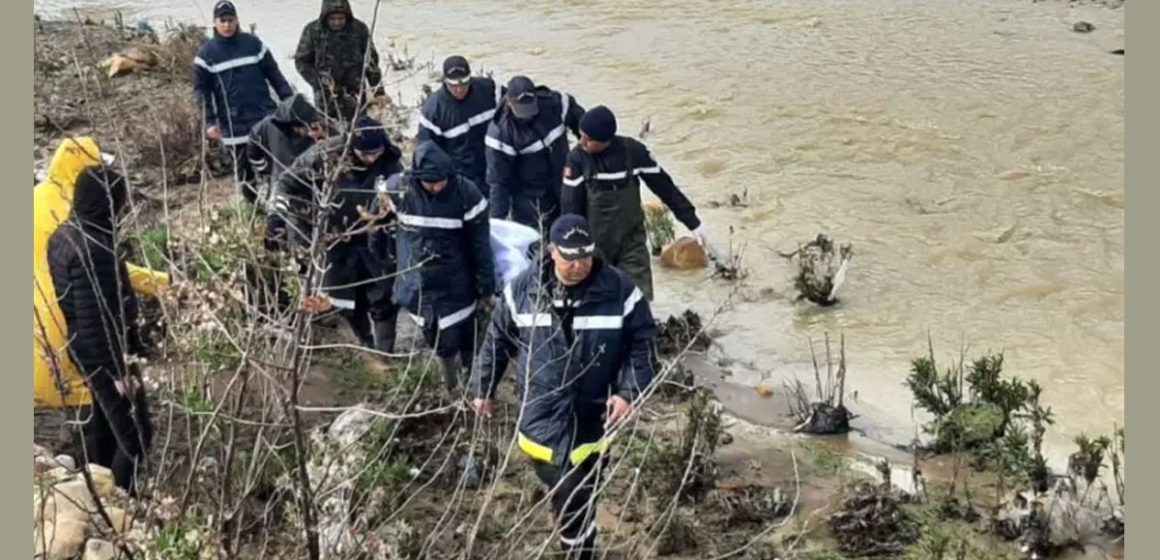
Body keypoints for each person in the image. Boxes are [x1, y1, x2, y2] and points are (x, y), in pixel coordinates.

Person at [471, 214, 656, 559]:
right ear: (552, 251)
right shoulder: (521, 291)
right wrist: (483, 390)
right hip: (542, 415)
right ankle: (577, 551)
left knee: (586, 490)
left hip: (596, 418)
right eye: (570, 257)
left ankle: (579, 536)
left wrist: (628, 392)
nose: (578, 265)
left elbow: (642, 342)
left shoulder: (620, 291)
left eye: (585, 255)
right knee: (572, 493)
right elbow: (497, 341)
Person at [35, 137, 169, 411]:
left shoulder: (36, 197)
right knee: (96, 399)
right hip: (59, 314)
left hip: (37, 312)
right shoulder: (70, 215)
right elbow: (104, 267)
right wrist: (163, 283)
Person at [47, 166, 154, 492]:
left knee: (107, 422)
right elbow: (97, 318)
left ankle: (100, 483)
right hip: (104, 352)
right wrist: (117, 370)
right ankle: (120, 497)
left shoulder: (64, 235)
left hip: (82, 346)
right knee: (137, 434)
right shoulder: (96, 249)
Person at [270, 116, 403, 351]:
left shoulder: (390, 161)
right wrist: (279, 219)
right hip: (335, 242)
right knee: (348, 301)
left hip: (375, 239)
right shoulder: (325, 155)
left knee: (383, 298)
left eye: (376, 153)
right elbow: (285, 184)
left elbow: (401, 194)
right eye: (365, 155)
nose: (372, 159)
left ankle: (385, 353)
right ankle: (365, 342)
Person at [561, 105, 720, 301]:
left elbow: (664, 187)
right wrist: (572, 247)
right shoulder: (577, 159)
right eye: (581, 135)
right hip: (594, 246)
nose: (581, 142)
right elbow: (570, 206)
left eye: (588, 139)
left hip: (631, 242)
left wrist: (693, 222)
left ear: (605, 140)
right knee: (597, 300)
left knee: (639, 299)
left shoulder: (633, 152)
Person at [380, 140, 495, 392]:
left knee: (466, 333)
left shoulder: (467, 194)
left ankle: (468, 375)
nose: (436, 186)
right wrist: (385, 262)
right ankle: (450, 385)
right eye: (430, 182)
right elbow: (377, 224)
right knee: (438, 340)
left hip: (457, 281)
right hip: (417, 283)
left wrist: (486, 284)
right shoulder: (398, 191)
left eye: (440, 180)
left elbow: (480, 244)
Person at [194, 0, 294, 204]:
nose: (227, 25)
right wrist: (210, 122)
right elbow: (201, 92)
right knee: (244, 173)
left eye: (230, 20)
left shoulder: (253, 44)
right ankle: (254, 207)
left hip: (264, 115)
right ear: (215, 22)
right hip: (233, 124)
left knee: (276, 164)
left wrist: (290, 101)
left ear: (237, 20)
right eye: (222, 21)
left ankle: (280, 204)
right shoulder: (206, 55)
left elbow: (274, 74)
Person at [485, 76, 585, 235]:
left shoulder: (556, 104)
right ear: (509, 103)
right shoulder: (501, 133)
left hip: (566, 187)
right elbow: (499, 183)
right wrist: (497, 226)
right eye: (522, 110)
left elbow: (584, 127)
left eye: (531, 108)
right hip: (532, 204)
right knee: (541, 249)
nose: (528, 115)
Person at [416, 56, 500, 194]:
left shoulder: (490, 90)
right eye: (454, 85)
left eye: (464, 84)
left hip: (493, 166)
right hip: (462, 177)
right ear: (444, 82)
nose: (459, 90)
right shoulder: (433, 111)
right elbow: (428, 153)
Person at [293, 0, 386, 122]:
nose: (337, 22)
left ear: (347, 15)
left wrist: (378, 91)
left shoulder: (359, 29)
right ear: (325, 16)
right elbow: (301, 62)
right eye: (332, 18)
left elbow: (371, 61)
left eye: (340, 18)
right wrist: (320, 83)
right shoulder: (313, 31)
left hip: (355, 93)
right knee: (330, 131)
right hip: (326, 97)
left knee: (358, 129)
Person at [246, 93, 330, 206]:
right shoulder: (285, 140)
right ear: (296, 127)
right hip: (263, 156)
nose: (311, 131)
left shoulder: (274, 123)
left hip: (276, 173)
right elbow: (287, 175)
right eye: (308, 127)